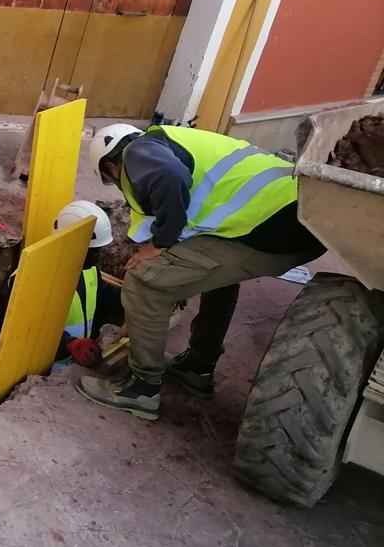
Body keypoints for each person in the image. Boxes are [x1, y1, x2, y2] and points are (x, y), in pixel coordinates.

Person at [75, 123, 326, 420]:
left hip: (271, 226)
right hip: (307, 219)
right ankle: (197, 368)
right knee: (218, 278)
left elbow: (170, 176)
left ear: (112, 166)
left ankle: (141, 389)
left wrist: (161, 242)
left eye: (110, 179)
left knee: (145, 284)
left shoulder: (137, 152)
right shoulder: (174, 140)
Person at [49, 201, 123, 368]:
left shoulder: (88, 269)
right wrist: (69, 344)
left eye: (98, 249)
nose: (97, 255)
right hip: (46, 367)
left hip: (76, 362)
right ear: (68, 243)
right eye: (92, 250)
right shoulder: (36, 278)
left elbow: (103, 295)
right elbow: (27, 330)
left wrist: (141, 298)